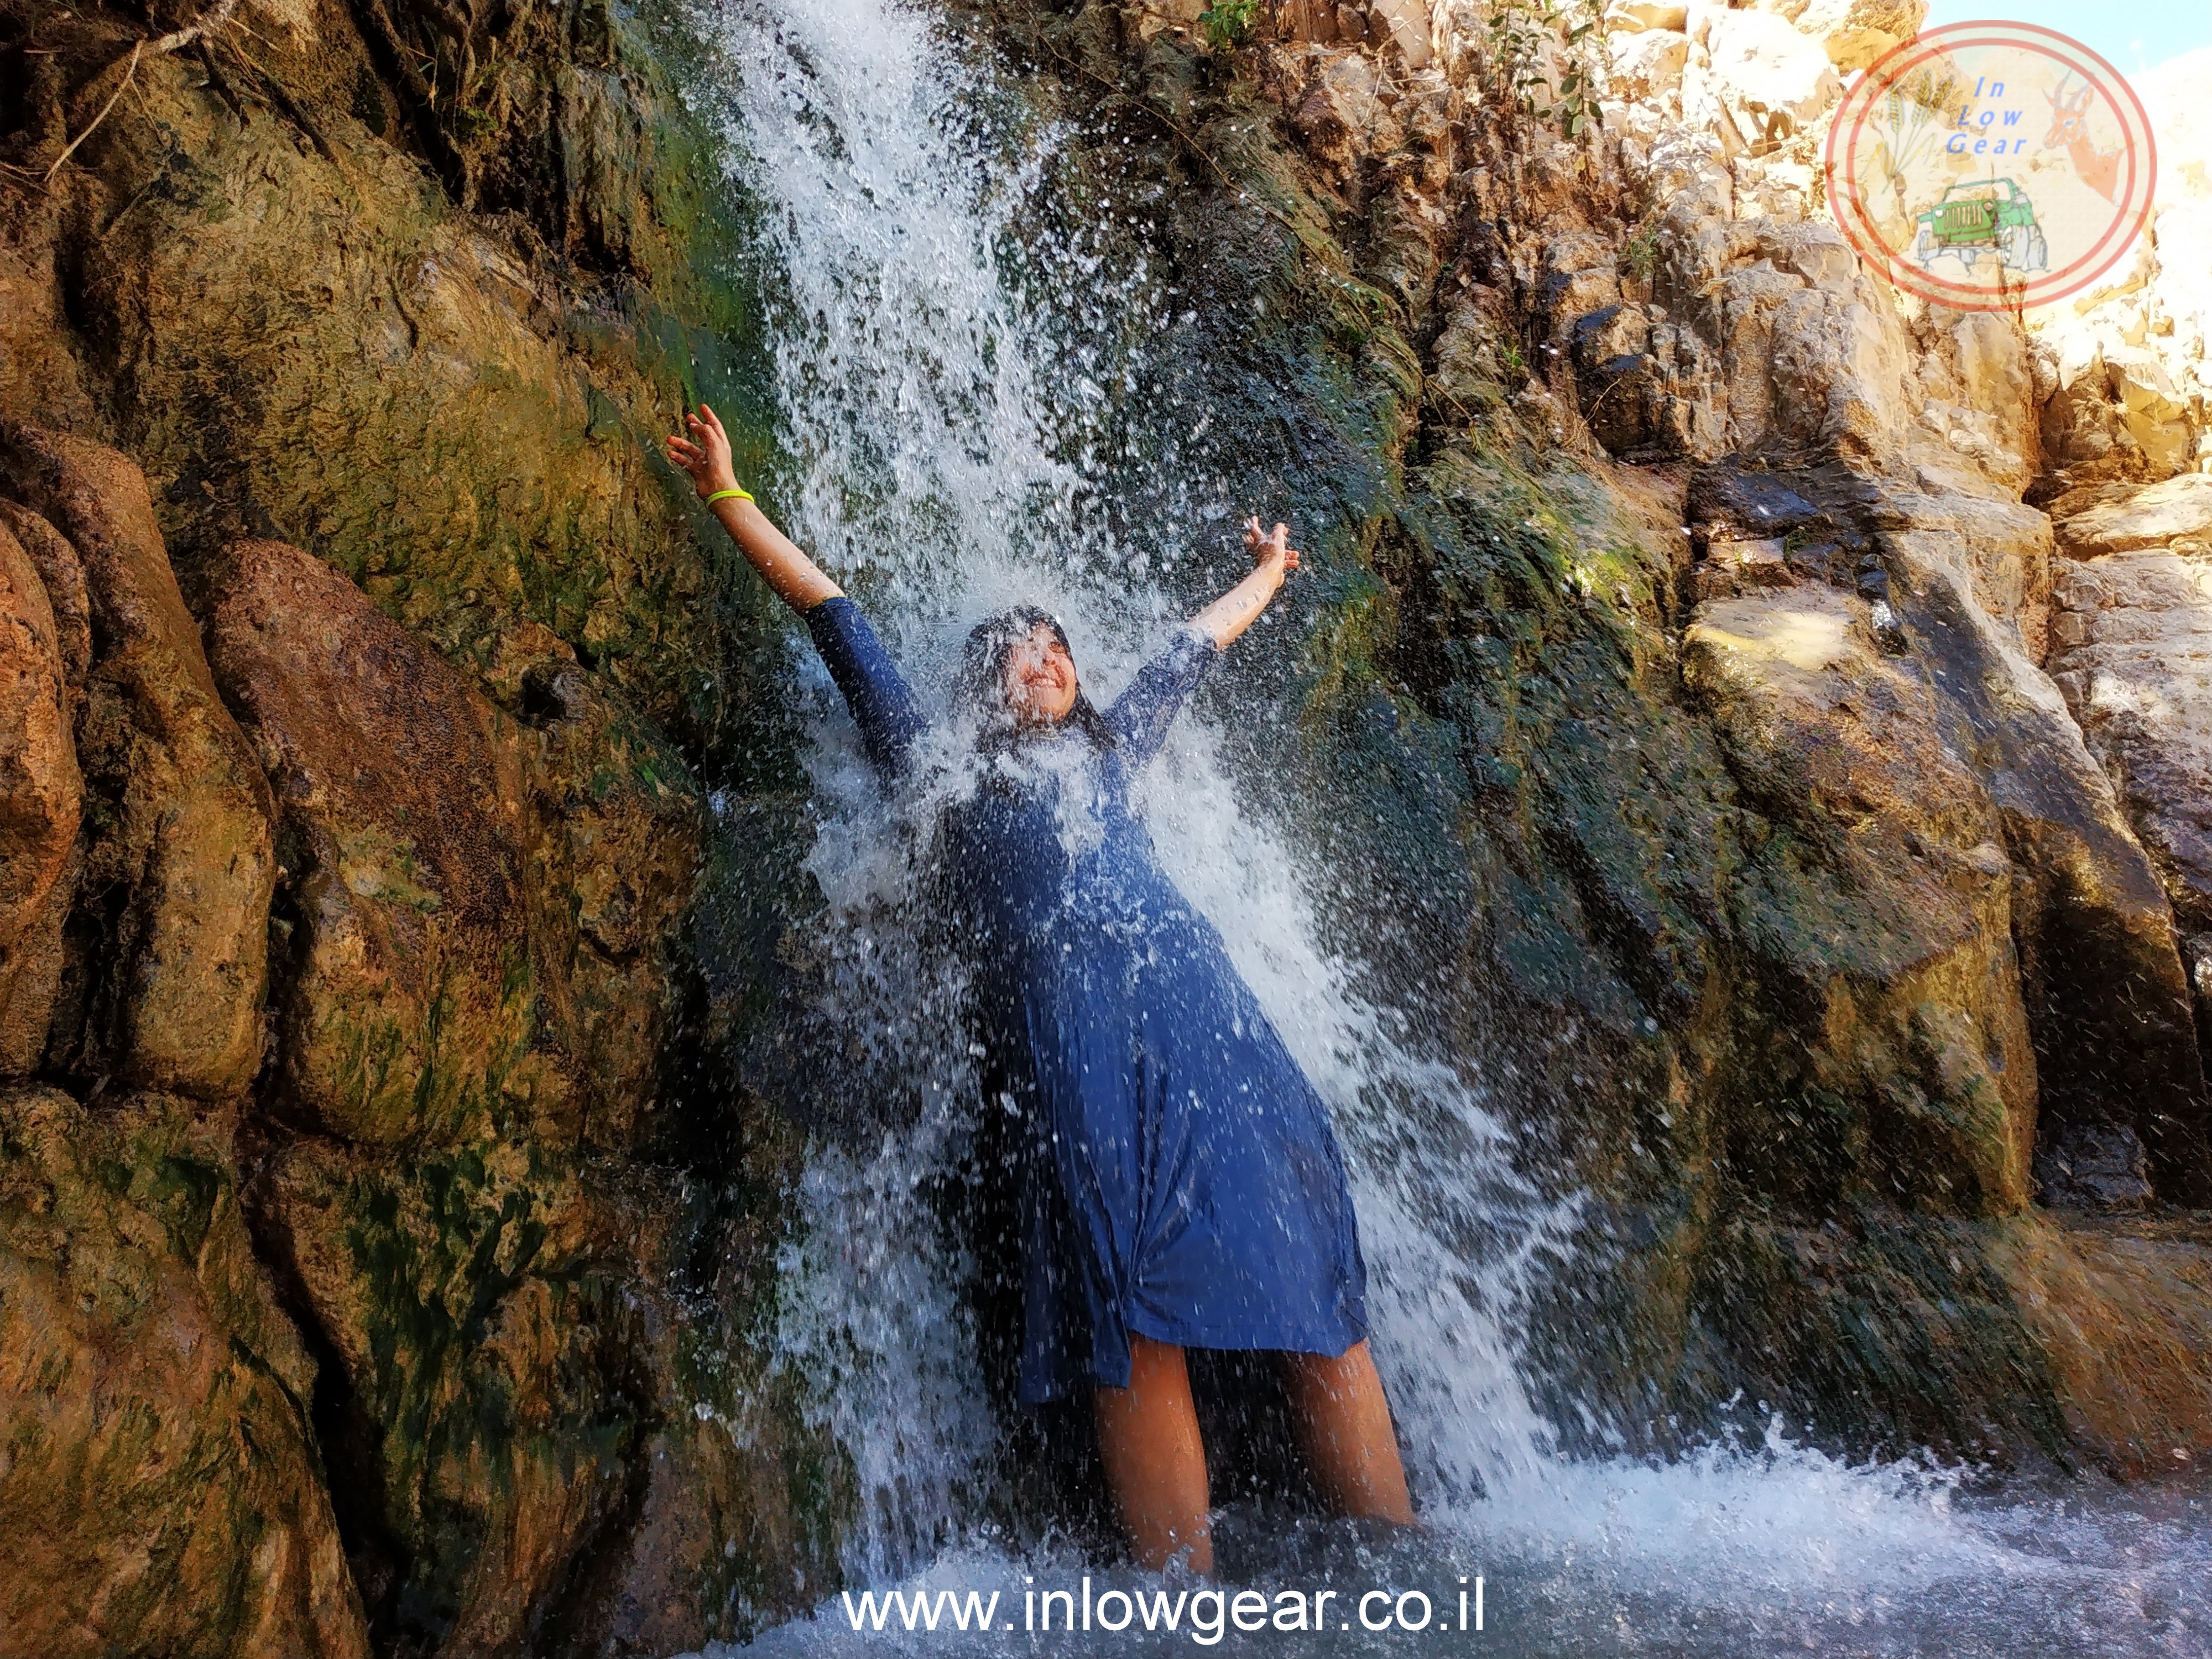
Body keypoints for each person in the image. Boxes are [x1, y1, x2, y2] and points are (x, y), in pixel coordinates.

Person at [669, 403, 1413, 1572]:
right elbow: (833, 616)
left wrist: (1268, 569)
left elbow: (1193, 645)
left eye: (1058, 643)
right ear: (980, 686)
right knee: (1127, 1308)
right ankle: (1184, 1606)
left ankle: (1406, 1576)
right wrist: (727, 493)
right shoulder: (939, 769)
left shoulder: (1114, 751)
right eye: (1020, 647)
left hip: (1209, 1018)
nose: (1047, 654)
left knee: (1311, 1271)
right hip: (1070, 1039)